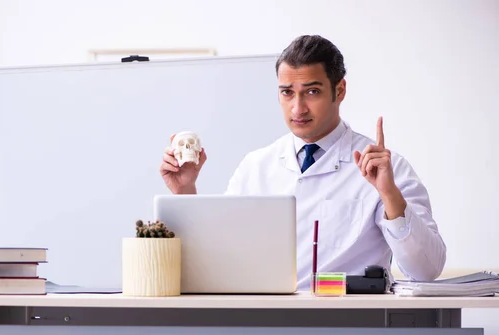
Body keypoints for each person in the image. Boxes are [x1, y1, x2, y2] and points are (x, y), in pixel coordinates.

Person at [159, 34, 446, 289]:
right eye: (287, 93)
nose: (298, 108)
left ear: (340, 90)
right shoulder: (255, 167)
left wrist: (389, 195)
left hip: (349, 334)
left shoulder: (384, 169)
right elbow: (216, 262)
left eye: (312, 92)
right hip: (263, 332)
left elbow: (426, 270)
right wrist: (185, 192)